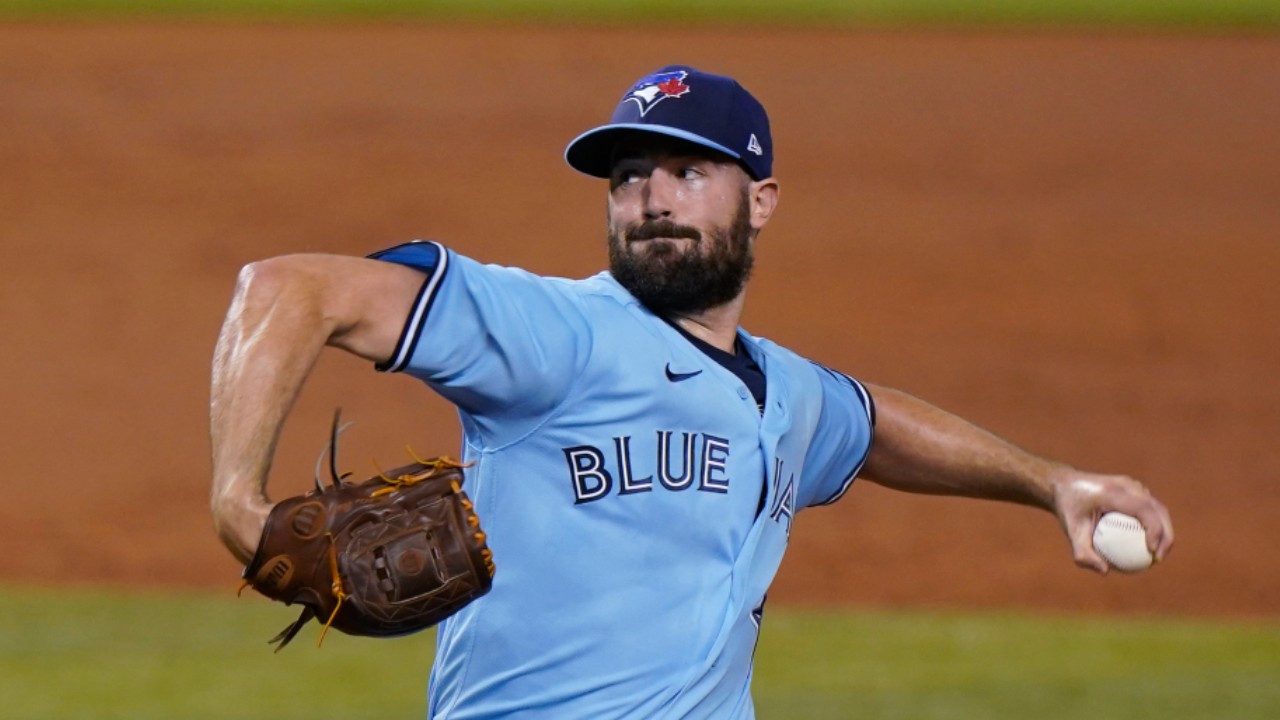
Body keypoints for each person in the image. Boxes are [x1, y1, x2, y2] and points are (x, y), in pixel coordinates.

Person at [210, 65, 1173, 719]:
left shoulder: (784, 392)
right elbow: (289, 288)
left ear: (761, 199)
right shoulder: (556, 333)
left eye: (687, 171)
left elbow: (872, 427)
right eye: (629, 178)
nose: (653, 199)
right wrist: (237, 503)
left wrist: (1054, 483)